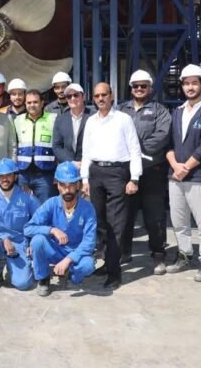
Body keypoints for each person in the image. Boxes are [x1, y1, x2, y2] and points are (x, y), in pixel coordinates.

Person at [81, 82, 142, 290]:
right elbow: (86, 152)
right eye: (97, 95)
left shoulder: (124, 119)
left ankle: (115, 273)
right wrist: (85, 179)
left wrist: (134, 178)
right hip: (96, 173)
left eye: (104, 95)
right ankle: (107, 263)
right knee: (100, 223)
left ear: (111, 96)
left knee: (116, 224)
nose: (100, 99)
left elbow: (134, 149)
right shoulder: (91, 121)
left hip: (118, 173)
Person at [165, 64, 201, 282]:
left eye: (194, 83)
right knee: (179, 221)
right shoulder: (178, 111)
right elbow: (169, 144)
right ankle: (185, 254)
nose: (190, 87)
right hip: (176, 177)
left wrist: (185, 167)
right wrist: (175, 166)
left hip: (199, 179)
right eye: (186, 83)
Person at [118, 69, 172, 274]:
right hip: (126, 172)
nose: (139, 89)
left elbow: (162, 136)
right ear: (131, 88)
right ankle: (124, 252)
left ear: (150, 88)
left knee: (154, 216)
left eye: (143, 86)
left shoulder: (160, 111)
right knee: (124, 214)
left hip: (151, 171)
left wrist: (134, 149)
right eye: (136, 86)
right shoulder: (120, 110)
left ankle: (158, 255)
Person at [24, 162, 97, 296]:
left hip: (76, 252)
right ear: (57, 185)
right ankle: (43, 278)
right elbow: (28, 228)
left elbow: (89, 242)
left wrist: (68, 260)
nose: (67, 190)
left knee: (88, 265)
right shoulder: (50, 204)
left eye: (71, 185)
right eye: (63, 185)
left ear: (78, 185)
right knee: (37, 240)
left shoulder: (88, 208)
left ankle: (71, 274)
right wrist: (51, 230)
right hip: (54, 250)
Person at [0, 158, 39, 291]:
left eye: (8, 175)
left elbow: (40, 220)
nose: (4, 179)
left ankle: (15, 266)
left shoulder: (26, 196)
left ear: (15, 176)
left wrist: (31, 242)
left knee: (23, 284)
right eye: (1, 176)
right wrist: (3, 238)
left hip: (19, 243)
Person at [14, 89, 57, 202]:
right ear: (25, 104)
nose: (32, 105)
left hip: (45, 174)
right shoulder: (17, 120)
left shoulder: (53, 119)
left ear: (42, 103)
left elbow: (58, 146)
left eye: (35, 102)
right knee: (22, 207)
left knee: (45, 207)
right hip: (23, 174)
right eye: (29, 102)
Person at [52, 83, 93, 166]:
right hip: (68, 167)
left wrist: (85, 162)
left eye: (76, 95)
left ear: (84, 97)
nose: (72, 98)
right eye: (69, 96)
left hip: (90, 166)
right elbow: (56, 146)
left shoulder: (93, 116)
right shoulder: (60, 119)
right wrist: (71, 162)